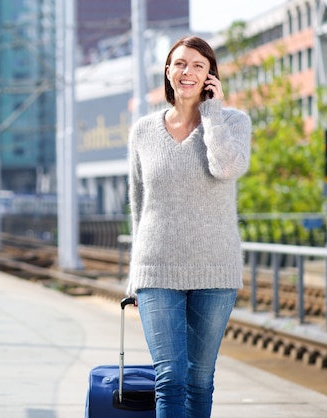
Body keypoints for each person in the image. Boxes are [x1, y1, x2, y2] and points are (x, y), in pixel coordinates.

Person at [126, 35, 251, 418]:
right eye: (180, 63)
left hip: (215, 269)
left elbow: (226, 168)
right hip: (156, 268)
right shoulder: (142, 132)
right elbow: (138, 205)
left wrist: (212, 113)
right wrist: (133, 275)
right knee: (170, 379)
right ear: (168, 72)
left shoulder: (233, 122)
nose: (188, 72)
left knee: (200, 379)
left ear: (210, 75)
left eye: (199, 65)